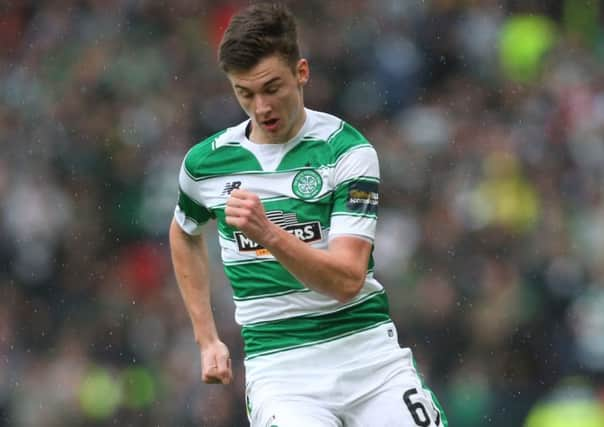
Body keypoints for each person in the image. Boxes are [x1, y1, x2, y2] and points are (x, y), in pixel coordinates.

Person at [169, 3, 447, 426]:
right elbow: (184, 232)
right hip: (282, 371)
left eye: (271, 87)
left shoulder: (347, 153)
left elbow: (346, 280)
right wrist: (207, 339)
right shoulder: (206, 165)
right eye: (245, 93)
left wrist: (269, 233)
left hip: (367, 357)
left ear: (301, 72)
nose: (261, 107)